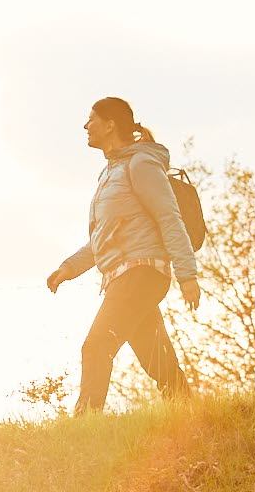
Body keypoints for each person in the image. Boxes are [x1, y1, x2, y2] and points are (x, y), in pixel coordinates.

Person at [45, 96, 200, 414]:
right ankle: (191, 413)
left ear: (110, 124)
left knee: (97, 345)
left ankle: (85, 426)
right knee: (159, 361)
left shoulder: (141, 164)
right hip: (121, 276)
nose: (86, 126)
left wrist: (187, 275)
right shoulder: (108, 174)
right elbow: (103, 237)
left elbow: (169, 217)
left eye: (91, 119)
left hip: (142, 272)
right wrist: (68, 268)